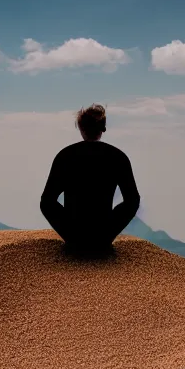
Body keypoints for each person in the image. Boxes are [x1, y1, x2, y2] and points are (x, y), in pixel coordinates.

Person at [40, 103, 140, 256]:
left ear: (80, 128)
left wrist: (70, 234)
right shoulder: (118, 157)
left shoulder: (66, 156)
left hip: (74, 238)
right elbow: (132, 201)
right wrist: (108, 231)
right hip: (103, 238)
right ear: (103, 128)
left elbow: (47, 202)